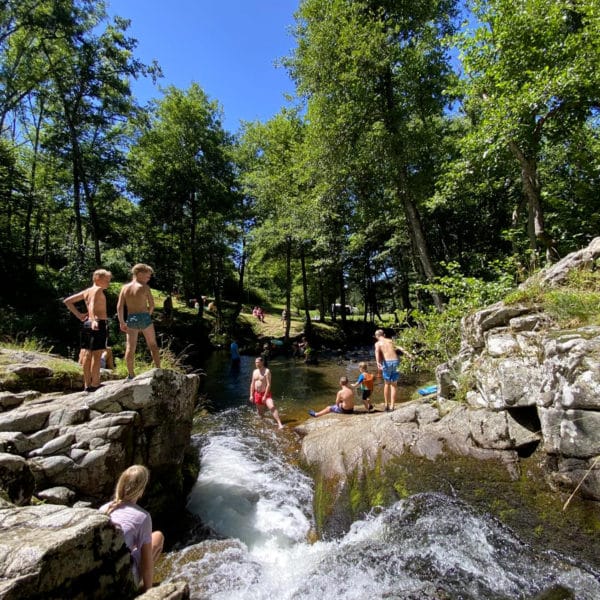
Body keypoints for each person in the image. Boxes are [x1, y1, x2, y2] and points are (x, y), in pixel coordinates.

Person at [100, 465, 164, 593]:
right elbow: (146, 562)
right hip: (122, 580)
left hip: (100, 576)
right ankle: (137, 586)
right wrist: (149, 593)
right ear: (141, 490)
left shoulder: (104, 508)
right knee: (158, 536)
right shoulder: (143, 517)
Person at [64, 269, 112, 392]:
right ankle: (95, 384)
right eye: (106, 280)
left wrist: (79, 315)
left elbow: (68, 301)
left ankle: (87, 385)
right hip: (97, 323)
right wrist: (94, 319)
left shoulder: (87, 291)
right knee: (96, 355)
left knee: (86, 353)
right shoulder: (97, 290)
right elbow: (92, 305)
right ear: (97, 279)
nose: (108, 282)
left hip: (87, 324)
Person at [117, 264, 161, 380]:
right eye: (147, 276)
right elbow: (152, 305)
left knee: (130, 347)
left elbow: (120, 307)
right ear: (139, 274)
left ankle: (131, 374)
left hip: (131, 318)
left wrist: (121, 322)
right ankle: (158, 369)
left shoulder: (125, 288)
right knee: (153, 345)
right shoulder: (145, 287)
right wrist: (148, 315)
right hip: (144, 317)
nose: (148, 279)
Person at [374, 329, 414, 411]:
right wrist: (409, 354)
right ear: (384, 335)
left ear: (377, 337)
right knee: (394, 384)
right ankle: (392, 406)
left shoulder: (378, 343)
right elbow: (400, 348)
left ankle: (386, 404)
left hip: (387, 362)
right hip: (396, 362)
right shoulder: (390, 341)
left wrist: (378, 363)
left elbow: (377, 352)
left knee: (387, 384)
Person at [249, 356, 284, 429]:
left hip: (265, 393)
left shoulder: (267, 371)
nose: (256, 364)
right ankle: (264, 424)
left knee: (272, 407)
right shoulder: (254, 371)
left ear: (262, 362)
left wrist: (264, 396)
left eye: (258, 362)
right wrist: (251, 395)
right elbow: (252, 384)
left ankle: (279, 424)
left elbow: (268, 384)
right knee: (260, 413)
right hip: (257, 394)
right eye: (255, 362)